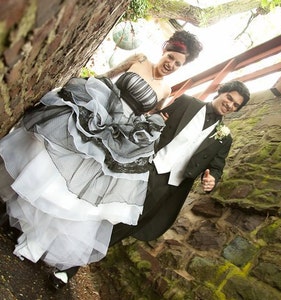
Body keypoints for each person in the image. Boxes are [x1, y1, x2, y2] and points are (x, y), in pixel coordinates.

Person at [0, 30, 202, 288]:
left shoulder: (166, 90)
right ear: (165, 51)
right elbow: (107, 76)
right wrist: (79, 92)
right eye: (171, 57)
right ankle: (14, 209)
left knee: (76, 190)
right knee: (52, 164)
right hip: (96, 111)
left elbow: (143, 118)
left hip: (115, 137)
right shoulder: (138, 58)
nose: (171, 65)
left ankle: (33, 233)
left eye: (177, 64)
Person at [59, 80, 251, 286]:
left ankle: (70, 268)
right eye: (229, 98)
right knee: (105, 210)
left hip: (169, 187)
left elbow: (217, 166)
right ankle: (59, 246)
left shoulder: (224, 138)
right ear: (220, 92)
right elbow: (155, 121)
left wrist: (212, 177)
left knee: (125, 227)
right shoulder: (187, 103)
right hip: (145, 168)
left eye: (235, 105)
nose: (230, 105)